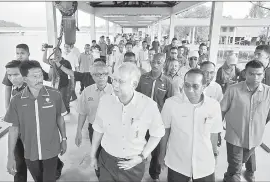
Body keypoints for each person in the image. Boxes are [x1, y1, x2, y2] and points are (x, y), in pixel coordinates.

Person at [90, 62, 165, 182]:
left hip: (132, 165)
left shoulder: (148, 105)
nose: (115, 85)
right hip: (106, 161)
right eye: (114, 79)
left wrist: (142, 156)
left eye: (120, 81)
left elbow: (158, 134)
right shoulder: (105, 101)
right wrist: (93, 155)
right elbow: (98, 129)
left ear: (134, 84)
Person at [5, 60, 68, 182]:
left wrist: (64, 139)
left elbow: (60, 118)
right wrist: (10, 156)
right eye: (34, 76)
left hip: (51, 150)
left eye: (40, 75)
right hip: (30, 152)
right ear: (25, 79)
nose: (39, 79)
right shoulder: (17, 100)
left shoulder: (55, 95)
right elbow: (13, 129)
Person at [221, 60, 270, 182]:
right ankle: (232, 176)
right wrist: (216, 132)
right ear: (245, 73)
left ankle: (229, 175)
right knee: (235, 169)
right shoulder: (233, 90)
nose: (255, 77)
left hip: (254, 139)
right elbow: (221, 111)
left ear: (263, 74)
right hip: (235, 137)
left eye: (259, 74)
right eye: (251, 74)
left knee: (239, 164)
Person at [159, 68, 223, 182]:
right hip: (178, 162)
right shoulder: (171, 103)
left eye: (195, 86)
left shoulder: (213, 106)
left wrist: (214, 155)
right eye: (187, 85)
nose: (190, 90)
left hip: (204, 162)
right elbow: (165, 131)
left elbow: (214, 134)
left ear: (204, 86)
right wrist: (161, 154)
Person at [238, 44, 270, 182]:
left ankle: (241, 168)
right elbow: (240, 89)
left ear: (268, 57)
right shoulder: (246, 71)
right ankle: (247, 169)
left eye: (258, 54)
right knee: (248, 138)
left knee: (252, 137)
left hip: (266, 111)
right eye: (255, 53)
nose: (255, 56)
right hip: (247, 108)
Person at [136, 53, 173, 181]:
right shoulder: (143, 78)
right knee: (139, 147)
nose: (156, 64)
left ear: (164, 64)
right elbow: (136, 97)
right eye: (154, 61)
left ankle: (154, 174)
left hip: (158, 121)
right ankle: (136, 172)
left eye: (159, 62)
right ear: (150, 62)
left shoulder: (168, 82)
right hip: (142, 119)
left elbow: (170, 103)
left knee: (156, 150)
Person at [75, 61, 113, 178]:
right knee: (96, 154)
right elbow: (82, 113)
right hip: (94, 129)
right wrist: (78, 132)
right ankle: (100, 177)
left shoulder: (115, 91)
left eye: (104, 74)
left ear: (108, 75)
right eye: (97, 74)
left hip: (111, 129)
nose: (101, 77)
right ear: (92, 76)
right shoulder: (87, 92)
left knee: (111, 155)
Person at [4, 60, 28, 182]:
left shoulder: (30, 92)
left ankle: (57, 166)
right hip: (18, 135)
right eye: (9, 75)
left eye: (16, 74)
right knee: (19, 165)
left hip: (31, 136)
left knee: (39, 166)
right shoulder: (15, 90)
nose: (12, 78)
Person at [200, 61, 224, 163]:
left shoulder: (217, 88)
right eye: (205, 72)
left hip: (210, 125)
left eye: (211, 72)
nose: (208, 75)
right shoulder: (192, 84)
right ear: (200, 71)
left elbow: (219, 109)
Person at [45, 48, 72, 116]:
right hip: (55, 83)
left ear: (61, 52)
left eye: (57, 52)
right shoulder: (52, 61)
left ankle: (66, 109)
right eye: (54, 52)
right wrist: (45, 49)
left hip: (64, 83)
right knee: (56, 97)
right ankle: (59, 110)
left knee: (63, 98)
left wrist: (72, 83)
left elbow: (70, 73)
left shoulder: (66, 62)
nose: (56, 53)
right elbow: (44, 59)